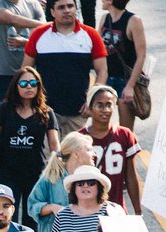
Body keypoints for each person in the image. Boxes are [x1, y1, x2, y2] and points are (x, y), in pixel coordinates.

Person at [0, 68, 58, 227]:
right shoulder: (5, 109)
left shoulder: (46, 112)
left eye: (33, 83)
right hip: (8, 172)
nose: (29, 87)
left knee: (31, 217)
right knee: (5, 215)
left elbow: (54, 145)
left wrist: (56, 171)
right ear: (16, 86)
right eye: (24, 83)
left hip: (35, 173)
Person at [21, 0, 106, 133]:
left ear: (76, 9)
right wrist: (28, 104)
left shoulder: (91, 35)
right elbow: (25, 72)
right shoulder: (38, 34)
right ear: (52, 12)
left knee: (75, 154)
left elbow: (102, 71)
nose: (67, 10)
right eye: (61, 7)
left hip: (78, 113)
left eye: (70, 6)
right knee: (49, 154)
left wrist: (92, 99)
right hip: (44, 112)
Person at [27, 132, 94, 232]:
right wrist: (52, 207)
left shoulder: (93, 179)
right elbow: (32, 206)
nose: (93, 154)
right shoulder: (51, 178)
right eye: (88, 150)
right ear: (76, 154)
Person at [79, 85, 141, 211]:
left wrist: (137, 210)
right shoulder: (80, 137)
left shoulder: (125, 134)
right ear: (90, 108)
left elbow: (131, 176)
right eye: (99, 105)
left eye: (109, 105)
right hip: (87, 210)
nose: (105, 110)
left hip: (116, 208)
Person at [0, 0, 46, 108]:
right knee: (3, 118)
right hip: (2, 73)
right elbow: (12, 19)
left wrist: (26, 43)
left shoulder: (33, 4)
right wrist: (48, 25)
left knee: (30, 115)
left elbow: (45, 35)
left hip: (29, 74)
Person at [98, 0, 145, 129]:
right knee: (101, 126)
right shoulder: (104, 19)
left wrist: (130, 86)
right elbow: (99, 51)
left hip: (124, 80)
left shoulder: (133, 21)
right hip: (107, 78)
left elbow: (141, 56)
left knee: (126, 130)